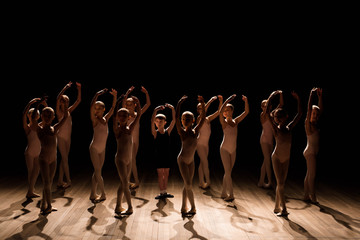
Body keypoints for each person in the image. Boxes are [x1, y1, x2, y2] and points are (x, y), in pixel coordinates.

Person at [266, 90, 302, 216]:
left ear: (286, 117)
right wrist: (271, 96)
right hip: (276, 157)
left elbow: (299, 114)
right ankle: (284, 209)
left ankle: (276, 207)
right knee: (280, 183)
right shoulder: (276, 129)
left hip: (286, 158)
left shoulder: (290, 127)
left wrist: (298, 100)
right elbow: (266, 113)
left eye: (280, 118)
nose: (278, 120)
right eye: (276, 118)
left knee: (281, 184)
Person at [32, 97, 69, 214]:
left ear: (53, 117)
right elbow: (33, 118)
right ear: (41, 117)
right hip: (43, 159)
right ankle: (48, 206)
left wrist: (66, 104)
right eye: (45, 115)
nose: (47, 118)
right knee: (46, 183)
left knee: (49, 183)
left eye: (49, 116)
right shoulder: (39, 129)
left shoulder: (55, 128)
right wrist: (38, 104)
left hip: (53, 159)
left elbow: (66, 117)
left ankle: (44, 203)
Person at [176, 95, 206, 216]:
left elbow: (203, 118)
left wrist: (203, 104)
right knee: (188, 184)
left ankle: (183, 206)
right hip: (182, 160)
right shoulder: (182, 132)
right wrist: (179, 103)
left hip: (191, 161)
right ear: (182, 121)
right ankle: (193, 207)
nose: (186, 120)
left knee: (186, 184)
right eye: (184, 118)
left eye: (189, 118)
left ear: (193, 120)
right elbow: (176, 118)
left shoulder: (196, 131)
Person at [113, 96, 141, 215]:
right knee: (125, 184)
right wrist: (117, 104)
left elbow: (138, 115)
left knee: (123, 183)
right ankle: (130, 207)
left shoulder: (130, 129)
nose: (122, 117)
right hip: (120, 159)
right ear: (118, 118)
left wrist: (138, 102)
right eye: (120, 115)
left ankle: (118, 206)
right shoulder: (117, 130)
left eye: (125, 115)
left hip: (128, 159)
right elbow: (114, 117)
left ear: (129, 117)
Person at [219, 94, 249, 202]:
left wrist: (246, 101)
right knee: (227, 172)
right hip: (224, 149)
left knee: (228, 172)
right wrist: (226, 100)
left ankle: (223, 192)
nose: (226, 112)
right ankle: (230, 194)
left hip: (233, 149)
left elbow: (246, 112)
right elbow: (219, 112)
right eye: (225, 110)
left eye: (228, 110)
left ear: (232, 111)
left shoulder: (236, 121)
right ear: (223, 113)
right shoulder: (223, 122)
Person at [89, 88, 117, 203]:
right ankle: (103, 193)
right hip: (94, 148)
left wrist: (115, 96)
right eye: (96, 108)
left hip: (102, 149)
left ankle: (92, 193)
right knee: (98, 171)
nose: (97, 110)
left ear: (103, 109)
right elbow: (90, 108)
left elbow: (113, 108)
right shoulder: (94, 120)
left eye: (100, 108)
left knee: (97, 171)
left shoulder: (105, 119)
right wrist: (96, 95)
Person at [122, 86, 151, 190]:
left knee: (132, 160)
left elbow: (148, 104)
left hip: (135, 142)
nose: (128, 106)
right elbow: (121, 105)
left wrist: (146, 93)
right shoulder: (124, 115)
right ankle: (129, 180)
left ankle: (136, 181)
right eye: (127, 104)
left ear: (135, 106)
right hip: (126, 141)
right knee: (128, 161)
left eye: (131, 104)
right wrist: (126, 94)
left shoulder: (137, 114)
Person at [56, 81, 81, 189]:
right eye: (64, 101)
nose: (66, 103)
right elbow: (57, 99)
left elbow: (79, 100)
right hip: (60, 137)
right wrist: (65, 88)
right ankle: (69, 180)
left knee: (64, 159)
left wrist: (79, 89)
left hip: (68, 138)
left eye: (67, 101)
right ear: (61, 103)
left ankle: (60, 181)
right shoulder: (59, 113)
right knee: (65, 159)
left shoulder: (69, 111)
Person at [258, 91, 284, 188]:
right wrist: (272, 95)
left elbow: (281, 104)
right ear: (262, 107)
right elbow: (266, 108)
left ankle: (261, 181)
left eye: (267, 105)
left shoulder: (272, 114)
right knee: (268, 160)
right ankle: (269, 182)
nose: (266, 107)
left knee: (266, 160)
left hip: (270, 140)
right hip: (264, 140)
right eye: (264, 106)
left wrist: (280, 94)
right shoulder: (263, 115)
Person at [196, 95, 223, 189]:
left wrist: (220, 101)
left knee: (202, 163)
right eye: (199, 108)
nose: (201, 109)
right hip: (199, 144)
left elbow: (219, 112)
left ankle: (200, 182)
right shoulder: (199, 119)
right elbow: (204, 112)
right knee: (205, 162)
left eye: (202, 108)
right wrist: (210, 101)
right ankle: (208, 181)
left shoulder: (208, 119)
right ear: (198, 110)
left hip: (206, 144)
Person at [23, 97, 47, 198]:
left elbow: (47, 115)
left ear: (38, 116)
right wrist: (30, 103)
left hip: (38, 152)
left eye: (36, 114)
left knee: (36, 172)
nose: (34, 116)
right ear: (29, 116)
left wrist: (45, 105)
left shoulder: (40, 125)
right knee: (31, 171)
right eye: (32, 114)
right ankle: (31, 191)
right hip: (29, 152)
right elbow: (23, 115)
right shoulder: (27, 127)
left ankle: (31, 190)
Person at [151, 103, 176, 199]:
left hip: (167, 156)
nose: (159, 122)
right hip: (158, 156)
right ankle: (161, 192)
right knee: (160, 174)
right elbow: (151, 120)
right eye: (157, 121)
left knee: (166, 174)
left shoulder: (168, 131)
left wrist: (172, 109)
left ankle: (165, 191)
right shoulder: (155, 133)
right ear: (155, 123)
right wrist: (155, 110)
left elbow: (174, 120)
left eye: (161, 121)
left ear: (165, 122)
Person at [303, 88, 323, 204]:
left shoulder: (316, 124)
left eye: (316, 114)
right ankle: (313, 196)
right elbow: (308, 109)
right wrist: (311, 94)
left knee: (309, 174)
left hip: (311, 152)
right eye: (313, 114)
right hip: (310, 152)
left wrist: (320, 97)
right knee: (312, 175)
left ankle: (306, 195)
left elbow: (321, 110)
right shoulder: (308, 125)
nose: (315, 116)